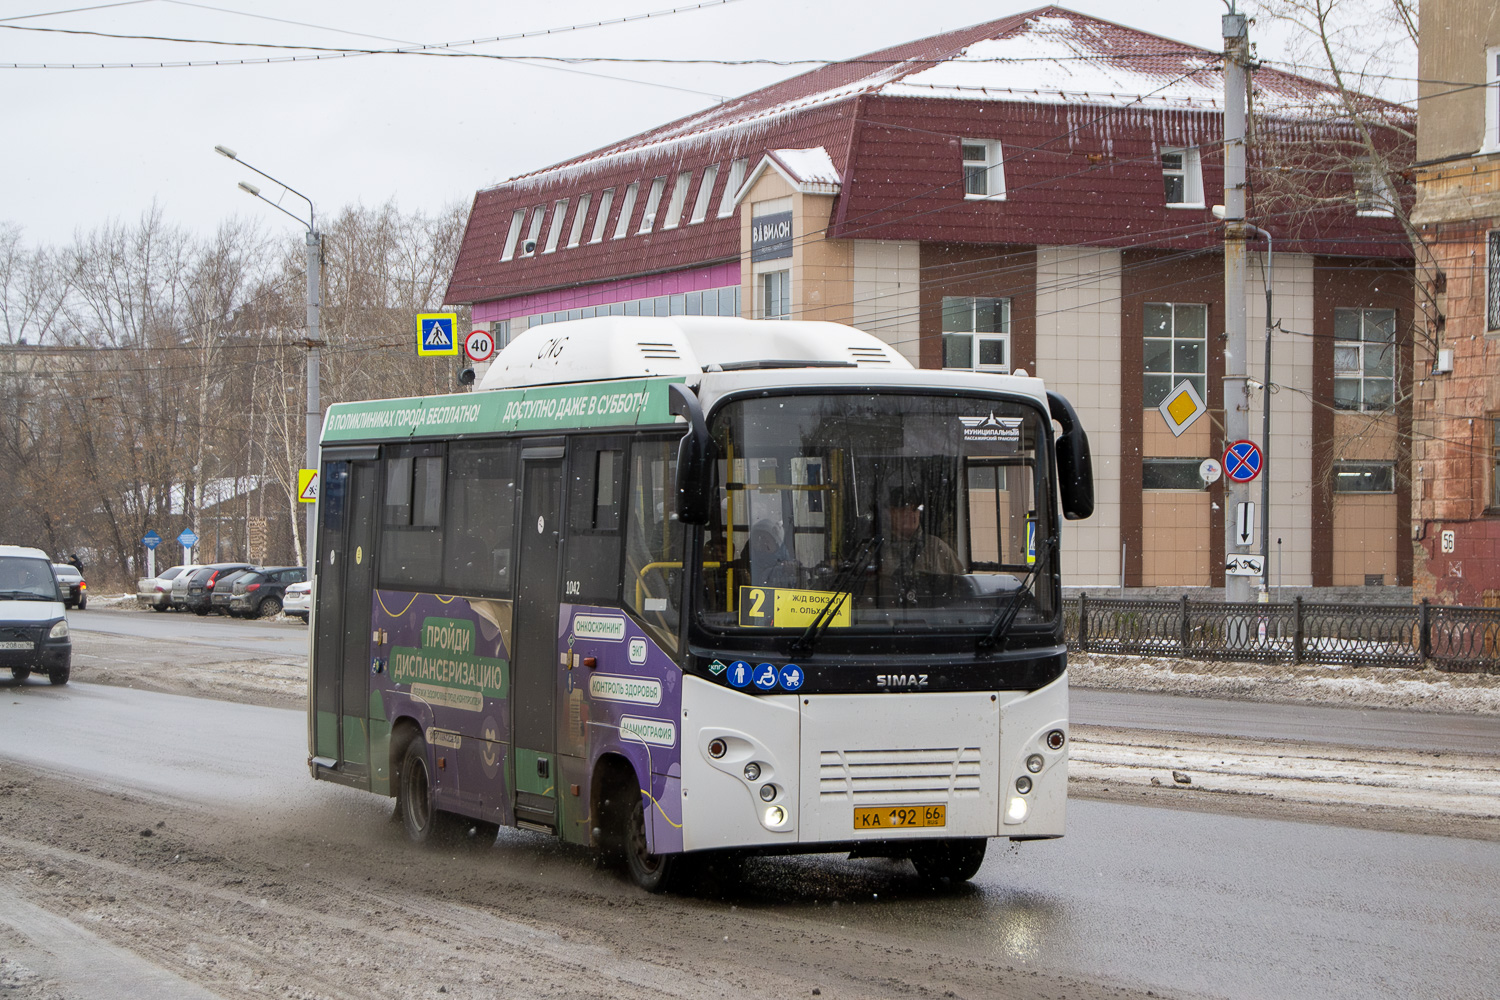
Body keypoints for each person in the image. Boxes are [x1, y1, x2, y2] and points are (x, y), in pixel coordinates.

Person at [880, 486, 963, 601]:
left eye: (915, 509)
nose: (911, 513)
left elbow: (961, 588)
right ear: (891, 513)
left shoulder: (936, 547)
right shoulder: (877, 549)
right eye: (904, 507)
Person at [745, 518, 801, 589]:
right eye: (757, 539)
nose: (762, 542)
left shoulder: (789, 564)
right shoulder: (748, 564)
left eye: (765, 538)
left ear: (776, 541)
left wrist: (793, 573)